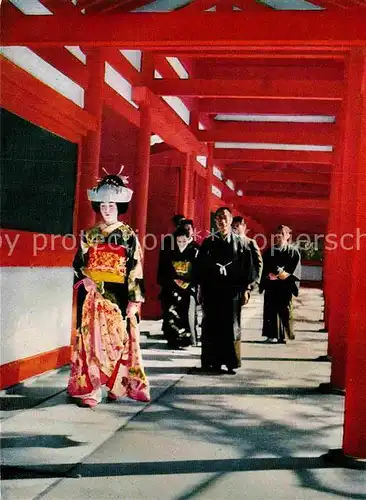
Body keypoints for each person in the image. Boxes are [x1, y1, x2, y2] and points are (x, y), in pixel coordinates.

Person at [67, 171, 150, 407]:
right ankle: (92, 390)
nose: (106, 209)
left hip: (119, 294)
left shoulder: (128, 236)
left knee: (117, 342)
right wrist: (86, 278)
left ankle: (117, 385)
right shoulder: (90, 234)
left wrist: (135, 300)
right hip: (94, 295)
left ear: (119, 206)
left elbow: (135, 267)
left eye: (111, 204)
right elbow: (78, 263)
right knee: (92, 343)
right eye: (102, 204)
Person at [194, 207, 257, 374]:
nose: (222, 221)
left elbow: (248, 268)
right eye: (219, 218)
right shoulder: (208, 242)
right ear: (215, 221)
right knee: (211, 324)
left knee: (231, 325)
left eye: (225, 218)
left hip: (233, 290)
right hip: (212, 289)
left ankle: (231, 362)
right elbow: (200, 266)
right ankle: (211, 361)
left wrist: (246, 289)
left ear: (230, 221)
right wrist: (200, 288)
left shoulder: (242, 243)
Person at [157, 225, 200, 348]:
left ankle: (187, 339)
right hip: (173, 286)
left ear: (189, 238)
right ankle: (173, 339)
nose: (181, 244)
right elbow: (165, 270)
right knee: (171, 314)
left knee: (186, 314)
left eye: (184, 241)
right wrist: (174, 281)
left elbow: (198, 271)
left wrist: (188, 282)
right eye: (179, 241)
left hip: (189, 286)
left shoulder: (195, 251)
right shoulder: (170, 252)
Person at [259, 224, 301, 344]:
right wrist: (268, 277)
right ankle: (271, 335)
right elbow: (264, 268)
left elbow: (295, 270)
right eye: (277, 234)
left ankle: (286, 335)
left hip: (285, 287)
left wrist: (279, 276)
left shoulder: (294, 252)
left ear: (288, 236)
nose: (279, 236)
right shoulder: (269, 252)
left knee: (285, 310)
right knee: (270, 309)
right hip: (272, 286)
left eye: (282, 234)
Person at [157, 213, 186, 336]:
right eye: (179, 223)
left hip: (182, 277)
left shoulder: (186, 239)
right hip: (170, 276)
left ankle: (177, 330)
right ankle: (168, 329)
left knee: (179, 305)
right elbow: (163, 260)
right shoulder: (168, 240)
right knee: (169, 304)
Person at [232, 215, 263, 294]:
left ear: (244, 227)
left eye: (237, 225)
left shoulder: (250, 242)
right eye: (233, 226)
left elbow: (259, 262)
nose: (234, 228)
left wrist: (256, 281)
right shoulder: (230, 243)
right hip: (231, 282)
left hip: (245, 283)